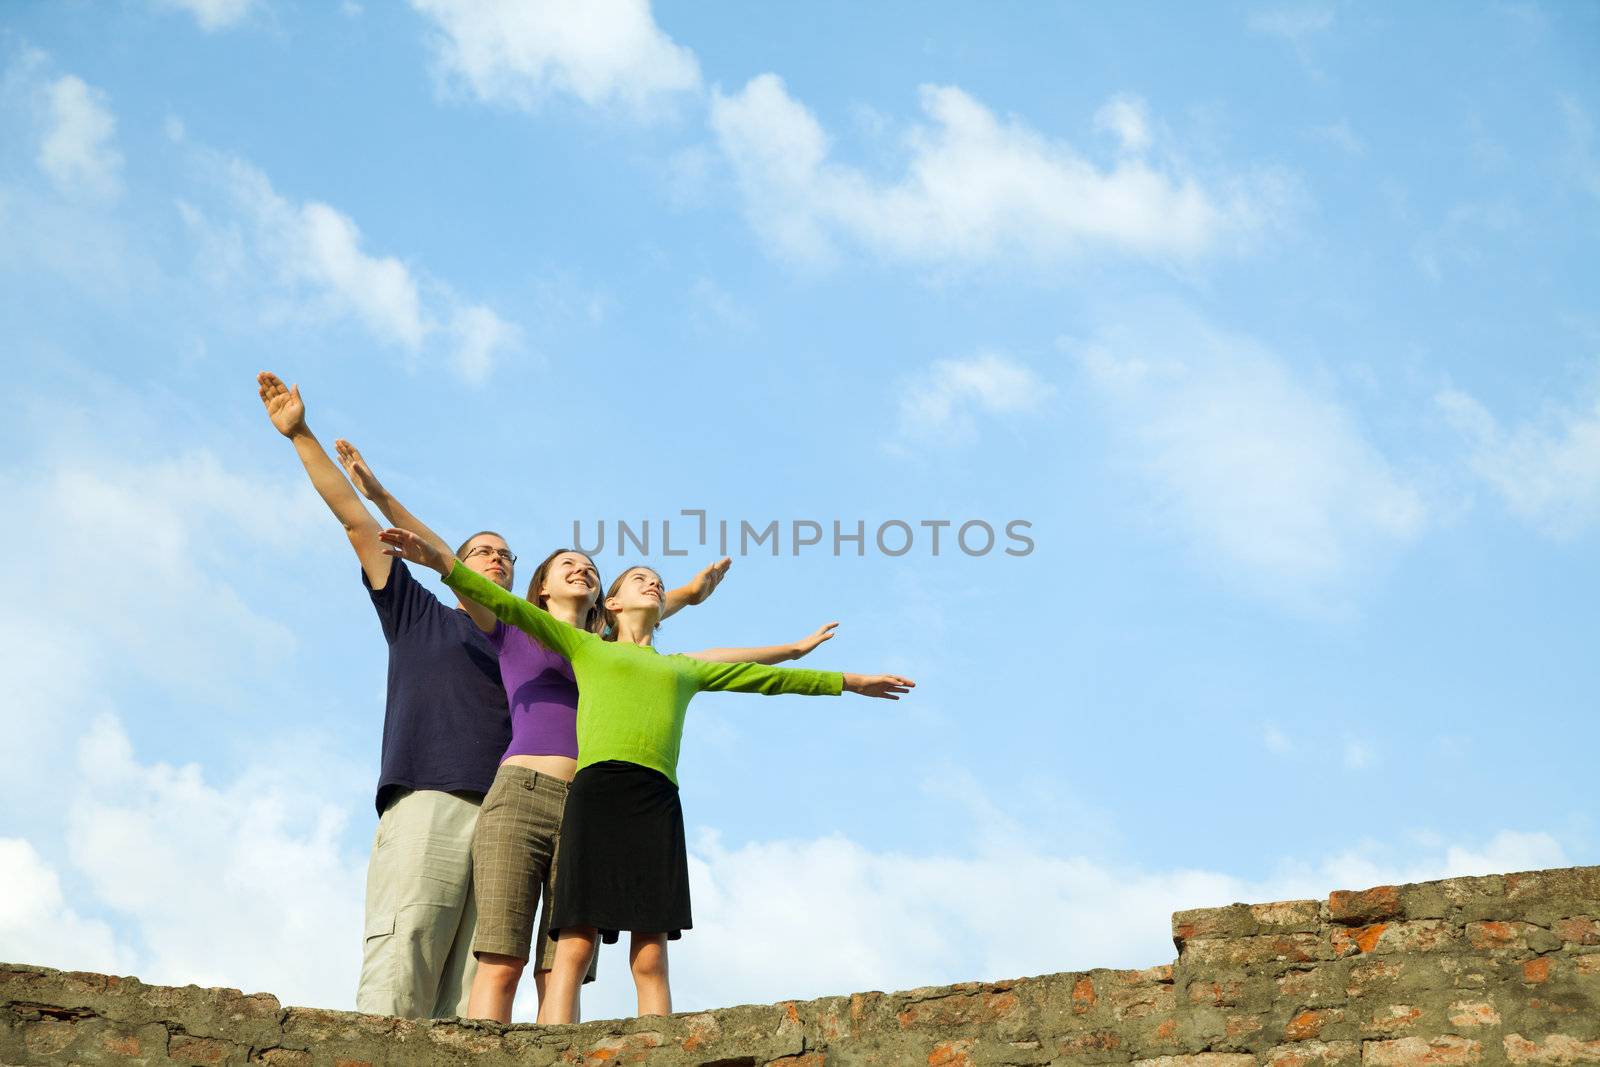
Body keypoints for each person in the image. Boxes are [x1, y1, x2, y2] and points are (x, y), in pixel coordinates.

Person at [333, 443, 818, 1023]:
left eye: (591, 568)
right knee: (497, 957)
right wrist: (384, 499)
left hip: (589, 804)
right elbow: (452, 567)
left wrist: (704, 602)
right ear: (538, 588)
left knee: (566, 957)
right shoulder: (517, 629)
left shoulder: (604, 651)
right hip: (521, 792)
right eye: (567, 565)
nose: (581, 569)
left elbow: (650, 627)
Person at [377, 526, 915, 1024]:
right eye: (641, 579)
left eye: (659, 583)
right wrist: (438, 561)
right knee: (529, 954)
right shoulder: (585, 647)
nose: (653, 585)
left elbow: (748, 673)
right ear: (609, 605)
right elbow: (499, 603)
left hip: (647, 805)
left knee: (611, 951)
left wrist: (838, 676)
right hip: (578, 795)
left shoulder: (677, 665)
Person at [255, 372, 507, 1018]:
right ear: (451, 562)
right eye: (482, 552)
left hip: (507, 823)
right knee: (402, 973)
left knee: (471, 1004)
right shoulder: (419, 614)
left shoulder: (524, 647)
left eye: (506, 555)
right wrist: (301, 435)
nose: (496, 559)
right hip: (430, 801)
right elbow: (354, 521)